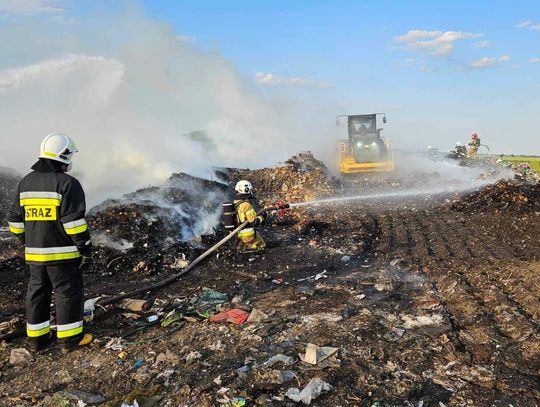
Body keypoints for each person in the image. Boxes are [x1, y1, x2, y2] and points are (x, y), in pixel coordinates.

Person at [7, 133, 93, 350]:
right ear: (63, 156)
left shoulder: (25, 182)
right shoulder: (67, 184)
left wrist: (27, 241)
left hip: (35, 255)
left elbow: (14, 221)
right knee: (67, 292)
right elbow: (74, 222)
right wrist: (85, 247)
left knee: (37, 293)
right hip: (63, 255)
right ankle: (70, 340)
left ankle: (36, 340)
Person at [233, 180, 268, 253]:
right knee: (261, 245)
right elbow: (253, 222)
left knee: (257, 237)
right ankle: (248, 248)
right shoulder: (246, 205)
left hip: (239, 233)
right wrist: (263, 216)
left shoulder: (236, 203)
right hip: (247, 234)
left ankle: (242, 244)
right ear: (246, 190)